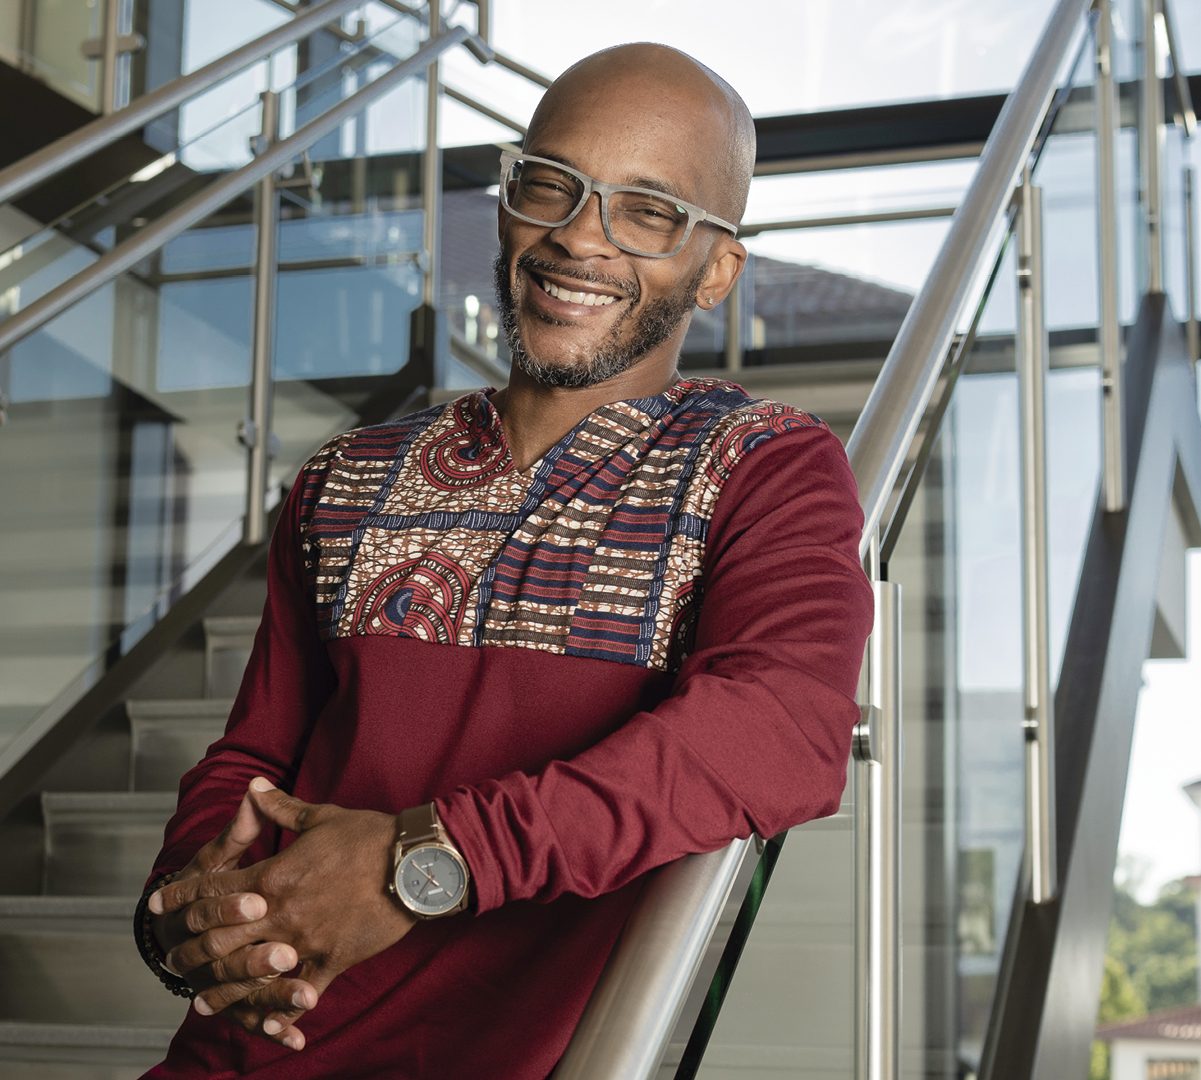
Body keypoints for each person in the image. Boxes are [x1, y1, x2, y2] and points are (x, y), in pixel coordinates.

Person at [133, 41, 871, 1079]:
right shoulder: (347, 473)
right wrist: (194, 907)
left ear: (718, 269)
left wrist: (421, 863)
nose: (579, 237)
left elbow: (782, 733)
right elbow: (255, 756)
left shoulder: (763, 467)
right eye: (551, 185)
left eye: (646, 211)